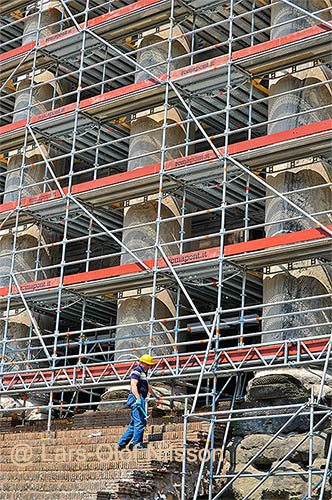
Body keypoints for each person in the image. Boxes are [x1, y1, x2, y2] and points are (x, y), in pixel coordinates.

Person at [118, 354, 159, 450]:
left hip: (139, 398)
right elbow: (133, 384)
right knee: (140, 422)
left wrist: (155, 395)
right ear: (141, 363)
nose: (149, 367)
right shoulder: (137, 371)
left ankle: (121, 444)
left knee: (134, 423)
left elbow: (147, 386)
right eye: (148, 365)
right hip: (136, 398)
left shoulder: (143, 373)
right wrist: (138, 398)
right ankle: (136, 446)